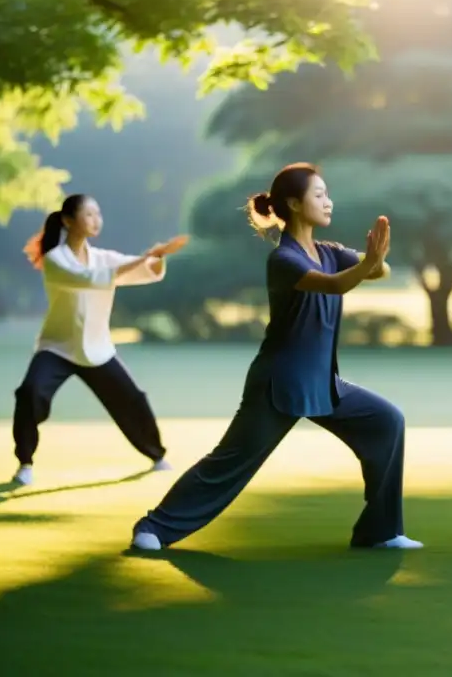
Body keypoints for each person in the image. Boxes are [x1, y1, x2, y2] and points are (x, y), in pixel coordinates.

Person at [130, 163, 422, 552]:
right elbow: (333, 287)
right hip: (278, 383)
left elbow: (377, 272)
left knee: (387, 421)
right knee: (229, 462)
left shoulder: (330, 252)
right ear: (294, 204)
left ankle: (379, 530)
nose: (327, 200)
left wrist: (374, 259)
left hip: (324, 382)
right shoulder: (283, 259)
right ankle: (154, 527)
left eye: (326, 193)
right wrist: (368, 263)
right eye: (318, 194)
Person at [13, 194, 187, 486]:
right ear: (69, 221)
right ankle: (25, 463)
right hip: (57, 348)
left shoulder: (103, 257)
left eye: (98, 214)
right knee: (30, 393)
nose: (96, 220)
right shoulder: (56, 260)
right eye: (89, 215)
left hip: (97, 349)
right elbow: (88, 278)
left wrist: (156, 258)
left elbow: (141, 272)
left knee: (133, 400)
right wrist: (144, 258)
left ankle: (157, 456)